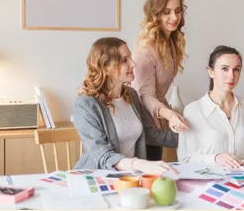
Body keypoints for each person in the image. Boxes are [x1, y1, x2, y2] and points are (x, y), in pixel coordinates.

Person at [72, 37, 178, 174]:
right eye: (124, 60)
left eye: (130, 58)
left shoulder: (131, 95)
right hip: (96, 178)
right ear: (105, 67)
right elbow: (103, 155)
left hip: (129, 177)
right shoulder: (85, 105)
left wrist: (195, 135)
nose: (133, 64)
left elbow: (152, 134)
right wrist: (141, 165)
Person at [132, 0, 189, 161]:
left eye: (177, 11)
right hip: (140, 117)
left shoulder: (171, 41)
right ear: (155, 14)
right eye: (167, 12)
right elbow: (145, 95)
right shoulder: (146, 48)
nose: (174, 17)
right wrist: (169, 114)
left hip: (156, 112)